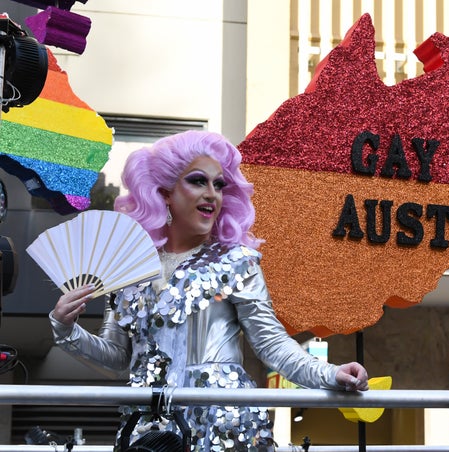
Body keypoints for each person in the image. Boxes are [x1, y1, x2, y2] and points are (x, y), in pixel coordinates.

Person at [49, 131, 369, 451]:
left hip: (221, 422)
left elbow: (271, 344)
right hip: (149, 424)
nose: (212, 194)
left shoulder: (235, 262)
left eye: (219, 185)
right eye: (199, 181)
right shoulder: (128, 269)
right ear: (164, 193)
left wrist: (331, 373)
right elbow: (118, 358)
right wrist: (65, 328)